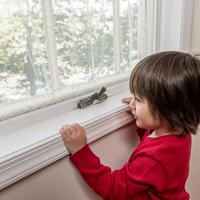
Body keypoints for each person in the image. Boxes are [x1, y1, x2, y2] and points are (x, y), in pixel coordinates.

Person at [59, 51, 200, 200]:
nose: (132, 103)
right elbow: (154, 144)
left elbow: (112, 188)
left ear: (167, 108)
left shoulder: (154, 158)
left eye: (138, 99)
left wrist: (80, 151)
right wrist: (140, 115)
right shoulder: (179, 130)